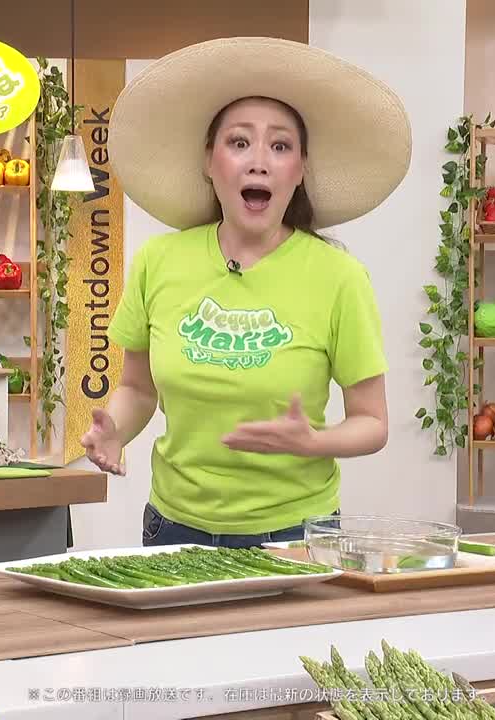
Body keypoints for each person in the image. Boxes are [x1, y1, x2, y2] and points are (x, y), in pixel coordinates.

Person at [81, 37, 412, 548]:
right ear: (210, 163)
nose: (259, 161)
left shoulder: (339, 277)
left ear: (299, 171)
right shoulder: (159, 261)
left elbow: (372, 422)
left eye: (280, 146)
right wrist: (115, 431)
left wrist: (313, 442)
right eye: (239, 142)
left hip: (296, 538)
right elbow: (138, 388)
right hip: (173, 531)